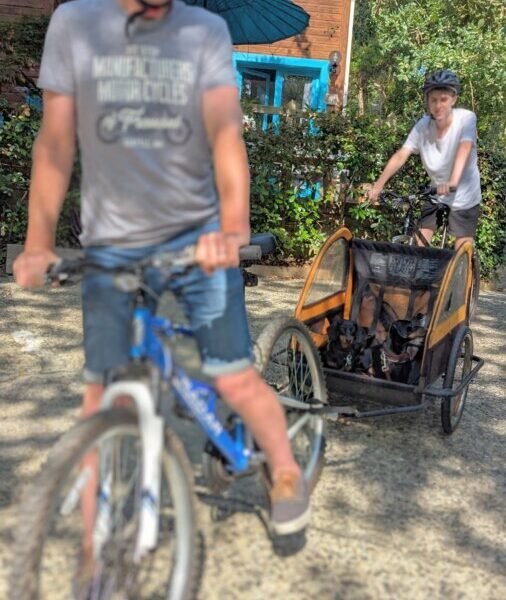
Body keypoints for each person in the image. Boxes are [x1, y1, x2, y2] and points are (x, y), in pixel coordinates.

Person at [13, 0, 310, 560]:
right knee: (101, 394)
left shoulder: (205, 31)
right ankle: (93, 551)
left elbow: (225, 133)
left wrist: (233, 227)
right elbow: (55, 140)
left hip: (199, 239)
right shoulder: (75, 23)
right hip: (113, 243)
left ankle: (287, 471)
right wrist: (37, 242)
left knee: (233, 379)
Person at [368, 69, 482, 250]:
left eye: (443, 99)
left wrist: (452, 181)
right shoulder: (423, 126)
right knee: (419, 245)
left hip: (465, 195)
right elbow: (402, 154)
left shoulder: (466, 118)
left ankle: (465, 275)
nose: (438, 105)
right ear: (427, 101)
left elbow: (464, 148)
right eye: (433, 100)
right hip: (437, 193)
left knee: (462, 251)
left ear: (453, 99)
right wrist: (379, 184)